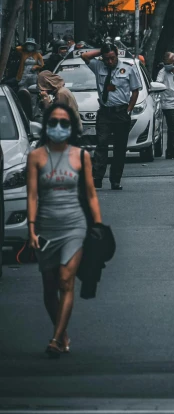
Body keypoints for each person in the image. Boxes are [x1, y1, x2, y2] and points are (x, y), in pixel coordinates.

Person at [26, 103, 102, 358]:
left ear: (71, 128)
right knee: (49, 288)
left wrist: (98, 226)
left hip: (74, 226)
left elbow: (91, 194)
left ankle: (56, 340)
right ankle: (63, 333)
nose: (59, 127)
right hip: (46, 228)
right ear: (47, 126)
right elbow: (32, 195)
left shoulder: (81, 156)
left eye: (65, 123)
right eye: (54, 122)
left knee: (65, 280)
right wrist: (32, 228)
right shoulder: (36, 156)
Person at [80, 43, 142, 190]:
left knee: (119, 148)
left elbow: (135, 91)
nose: (109, 62)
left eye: (112, 58)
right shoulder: (98, 66)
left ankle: (115, 180)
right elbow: (84, 56)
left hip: (121, 113)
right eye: (106, 58)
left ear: (117, 55)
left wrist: (129, 109)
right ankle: (97, 178)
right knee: (101, 145)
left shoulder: (128, 68)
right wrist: (100, 52)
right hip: (105, 112)